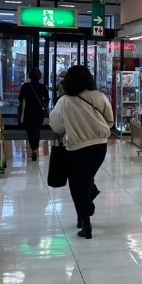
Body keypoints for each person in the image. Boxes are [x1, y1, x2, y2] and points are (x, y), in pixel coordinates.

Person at [49, 65, 113, 239]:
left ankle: (85, 222)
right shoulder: (99, 97)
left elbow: (56, 126)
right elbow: (109, 120)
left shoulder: (64, 101)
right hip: (99, 147)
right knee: (85, 180)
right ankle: (85, 209)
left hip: (76, 148)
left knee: (77, 184)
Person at [18, 68, 49, 161]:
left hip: (28, 112)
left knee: (30, 131)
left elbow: (20, 98)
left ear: (30, 76)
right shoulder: (43, 87)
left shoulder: (25, 86)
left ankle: (34, 148)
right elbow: (47, 100)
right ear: (40, 76)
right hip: (39, 112)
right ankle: (35, 148)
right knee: (37, 130)